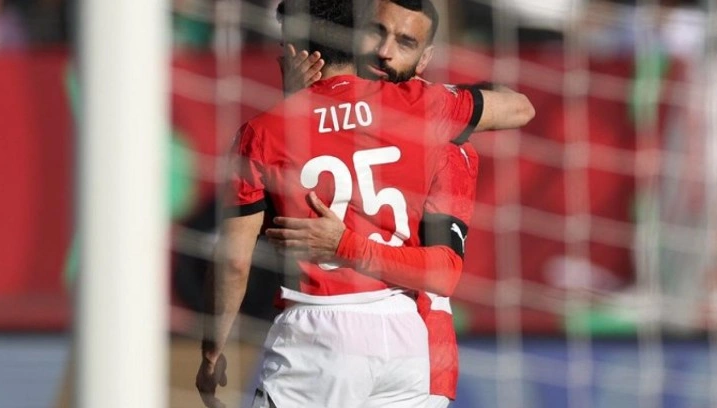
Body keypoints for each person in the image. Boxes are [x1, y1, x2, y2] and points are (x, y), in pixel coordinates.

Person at [194, 0, 507, 406]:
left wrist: (211, 351)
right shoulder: (422, 109)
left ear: (294, 48)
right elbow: (519, 107)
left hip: (319, 329)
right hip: (410, 338)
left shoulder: (264, 132)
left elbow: (234, 260)